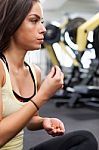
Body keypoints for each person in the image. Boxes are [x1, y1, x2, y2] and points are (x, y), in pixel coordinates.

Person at [0, 0, 98, 150]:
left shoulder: (34, 72)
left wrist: (44, 121)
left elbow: (30, 120)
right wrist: (43, 96)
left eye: (42, 22)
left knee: (84, 139)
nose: (43, 29)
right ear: (13, 23)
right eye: (34, 21)